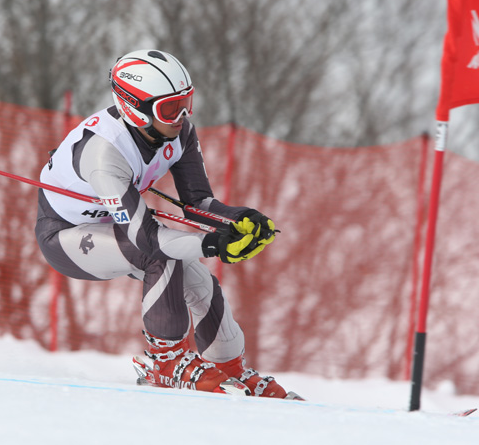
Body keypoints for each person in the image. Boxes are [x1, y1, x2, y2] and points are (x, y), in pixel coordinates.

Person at [35, 49, 298, 399]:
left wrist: (239, 218)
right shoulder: (105, 154)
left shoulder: (180, 132)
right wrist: (213, 244)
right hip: (64, 237)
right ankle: (167, 362)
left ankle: (232, 369)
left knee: (198, 278)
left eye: (187, 102)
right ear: (134, 108)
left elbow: (197, 204)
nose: (182, 116)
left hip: (117, 228)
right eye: (170, 108)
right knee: (162, 255)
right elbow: (147, 240)